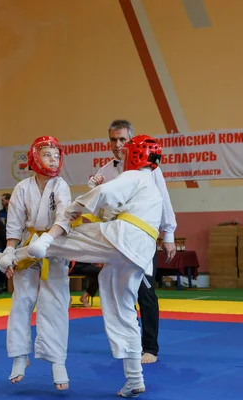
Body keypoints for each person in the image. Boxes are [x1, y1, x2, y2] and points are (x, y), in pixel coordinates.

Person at [9, 135, 163, 398]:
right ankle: (134, 379)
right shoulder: (151, 186)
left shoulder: (134, 177)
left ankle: (20, 253)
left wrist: (78, 207)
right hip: (139, 253)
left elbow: (103, 195)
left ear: (135, 155)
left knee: (63, 238)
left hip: (122, 238)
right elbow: (112, 209)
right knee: (122, 310)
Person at [88, 119, 177, 364]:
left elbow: (163, 201)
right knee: (118, 292)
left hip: (143, 238)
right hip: (115, 240)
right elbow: (97, 210)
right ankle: (129, 343)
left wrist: (168, 235)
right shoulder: (104, 172)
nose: (117, 145)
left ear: (131, 141)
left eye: (122, 140)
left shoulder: (150, 168)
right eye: (113, 139)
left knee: (145, 290)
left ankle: (150, 347)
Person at [0, 136, 72, 391]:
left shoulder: (61, 185)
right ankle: (19, 355)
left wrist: (48, 240)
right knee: (21, 301)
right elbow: (14, 224)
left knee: (55, 304)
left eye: (57, 155)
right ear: (35, 158)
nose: (54, 160)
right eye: (48, 155)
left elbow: (65, 218)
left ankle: (57, 361)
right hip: (28, 246)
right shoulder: (22, 188)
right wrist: (8, 252)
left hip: (54, 245)